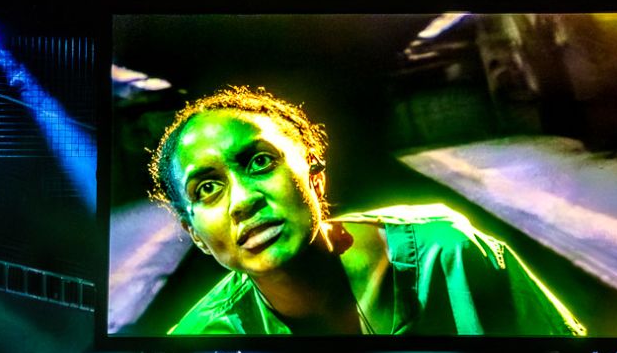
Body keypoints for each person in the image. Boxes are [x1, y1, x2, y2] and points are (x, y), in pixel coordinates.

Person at [147, 85, 586, 337]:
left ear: (314, 178)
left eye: (260, 162)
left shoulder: (446, 251)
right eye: (207, 188)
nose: (242, 200)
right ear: (196, 235)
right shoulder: (200, 340)